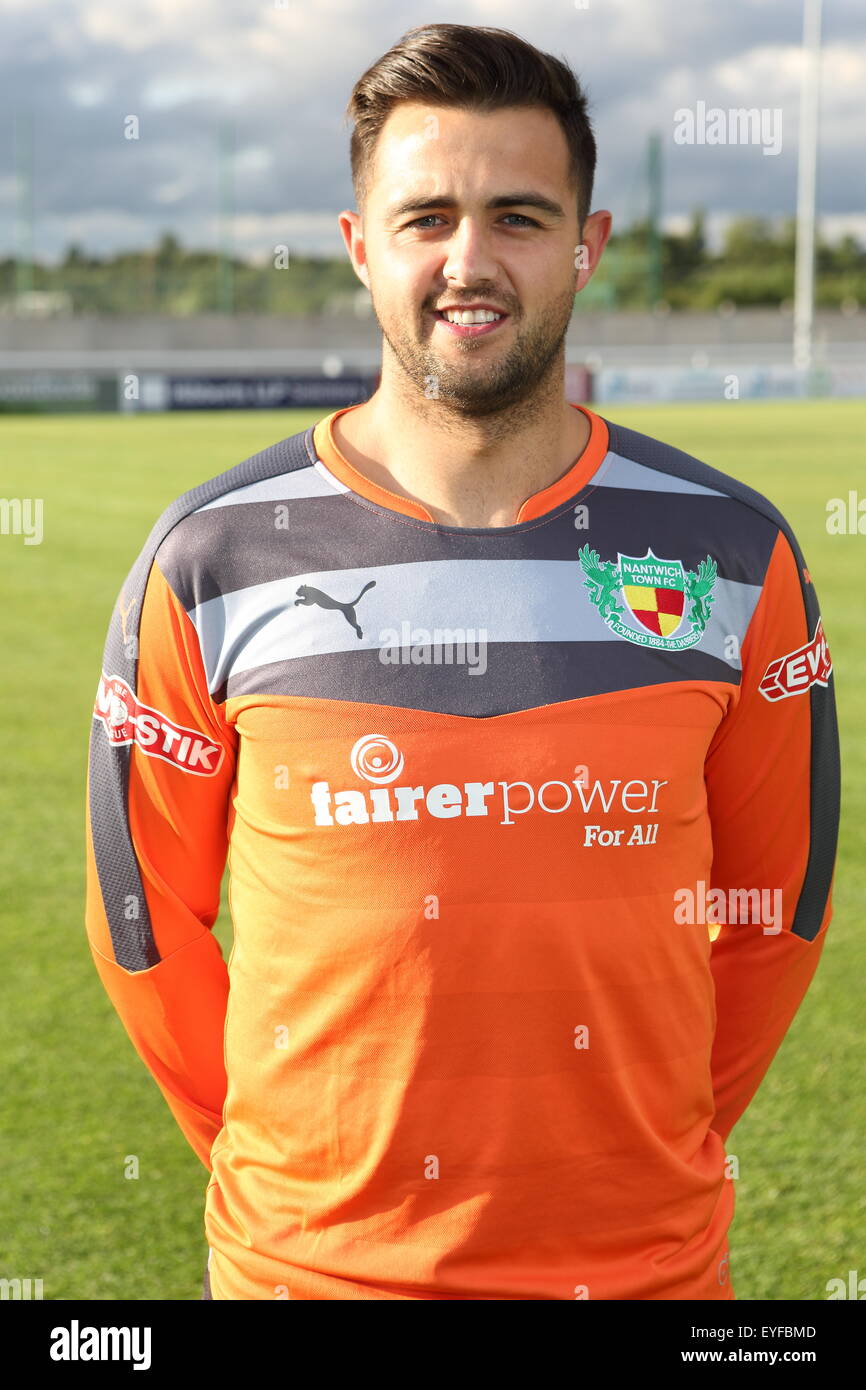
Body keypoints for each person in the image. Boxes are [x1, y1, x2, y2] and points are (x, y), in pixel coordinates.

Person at [84, 23, 840, 1301]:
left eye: (520, 216)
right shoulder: (208, 557)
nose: (468, 261)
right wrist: (290, 1180)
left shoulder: (733, 551)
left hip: (642, 1275)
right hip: (305, 1278)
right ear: (359, 244)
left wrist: (648, 1154)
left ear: (587, 247)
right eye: (425, 216)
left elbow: (778, 906)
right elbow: (141, 922)